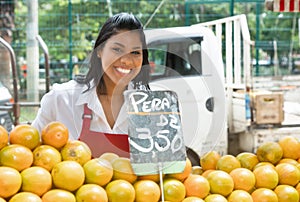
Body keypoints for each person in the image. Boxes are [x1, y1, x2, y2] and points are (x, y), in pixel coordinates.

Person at [32, 12, 151, 158]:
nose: (126, 60)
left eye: (135, 52)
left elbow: (166, 168)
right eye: (117, 49)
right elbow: (30, 152)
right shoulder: (61, 100)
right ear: (99, 50)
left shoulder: (153, 108)